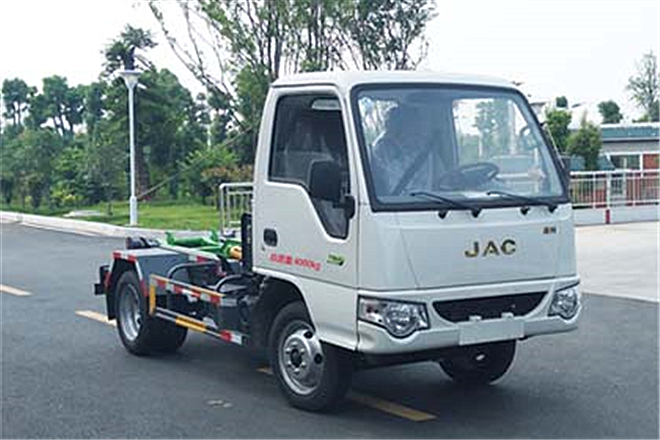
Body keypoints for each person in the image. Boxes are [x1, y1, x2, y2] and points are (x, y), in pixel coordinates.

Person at [370, 105, 435, 196]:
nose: (418, 131)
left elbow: (438, 179)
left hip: (431, 202)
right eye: (413, 126)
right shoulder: (381, 152)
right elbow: (391, 186)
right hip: (398, 203)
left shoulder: (424, 151)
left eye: (418, 126)